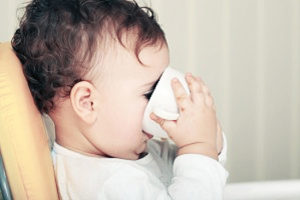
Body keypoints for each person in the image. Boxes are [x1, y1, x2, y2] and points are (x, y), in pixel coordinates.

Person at [12, 0, 229, 199]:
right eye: (149, 93)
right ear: (88, 103)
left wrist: (207, 141)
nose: (158, 101)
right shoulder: (107, 186)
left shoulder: (121, 147)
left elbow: (189, 169)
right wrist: (199, 146)